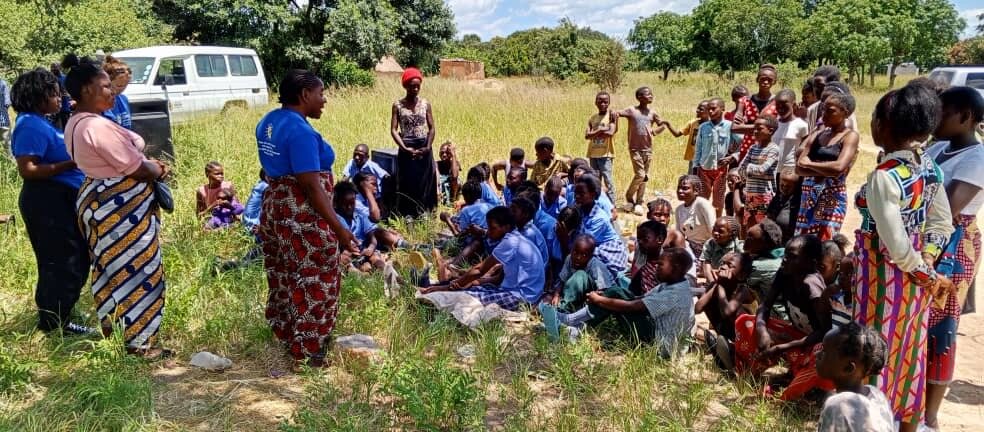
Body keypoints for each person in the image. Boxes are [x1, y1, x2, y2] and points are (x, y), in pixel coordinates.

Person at [854, 82, 954, 431]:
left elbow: (894, 244)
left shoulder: (885, 177)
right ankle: (906, 420)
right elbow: (942, 223)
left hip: (882, 280)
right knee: (911, 350)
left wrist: (919, 269)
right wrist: (927, 263)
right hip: (915, 286)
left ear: (884, 125)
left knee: (873, 351)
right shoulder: (928, 168)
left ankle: (870, 420)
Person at [64, 61, 171, 358]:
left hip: (102, 203)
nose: (112, 91)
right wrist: (158, 168)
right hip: (120, 209)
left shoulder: (77, 121)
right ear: (87, 90)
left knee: (111, 268)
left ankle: (116, 330)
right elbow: (136, 168)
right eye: (106, 86)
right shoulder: (96, 126)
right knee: (137, 269)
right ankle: (139, 343)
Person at [255, 69, 358, 368]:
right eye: (321, 93)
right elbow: (311, 186)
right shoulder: (299, 131)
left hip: (276, 207)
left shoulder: (269, 122)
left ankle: (288, 332)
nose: (324, 100)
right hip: (300, 213)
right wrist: (338, 228)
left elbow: (270, 168)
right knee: (317, 274)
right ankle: (308, 350)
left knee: (285, 272)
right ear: (304, 95)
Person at [9, 68, 92, 335]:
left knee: (75, 256)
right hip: (46, 200)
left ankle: (61, 313)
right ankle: (54, 324)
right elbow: (28, 169)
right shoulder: (28, 125)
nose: (60, 99)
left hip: (60, 198)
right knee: (60, 261)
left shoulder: (41, 121)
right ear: (38, 96)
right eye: (54, 94)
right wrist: (72, 162)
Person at [922, 86, 984, 430]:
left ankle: (930, 417)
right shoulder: (939, 146)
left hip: (954, 247)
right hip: (928, 239)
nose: (936, 119)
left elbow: (948, 207)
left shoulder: (978, 159)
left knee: (942, 328)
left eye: (943, 113)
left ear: (967, 117)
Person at [732, 235, 835, 401]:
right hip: (794, 336)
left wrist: (782, 347)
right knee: (746, 322)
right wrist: (761, 330)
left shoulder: (812, 286)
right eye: (785, 254)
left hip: (810, 344)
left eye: (793, 257)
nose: (785, 259)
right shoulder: (785, 273)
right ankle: (748, 372)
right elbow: (765, 305)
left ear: (811, 263)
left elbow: (824, 332)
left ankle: (796, 385)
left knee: (819, 356)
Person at [549, 248, 695, 356]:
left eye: (661, 265)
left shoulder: (675, 293)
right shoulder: (673, 284)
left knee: (616, 295)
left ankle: (572, 322)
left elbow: (634, 307)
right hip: (655, 332)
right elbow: (640, 299)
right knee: (617, 292)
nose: (656, 268)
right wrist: (605, 298)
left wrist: (601, 300)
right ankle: (575, 325)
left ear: (675, 268)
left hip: (659, 347)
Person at [420, 206, 545, 311]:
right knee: (471, 288)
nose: (489, 232)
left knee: (465, 297)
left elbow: (480, 270)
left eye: (493, 228)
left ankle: (432, 295)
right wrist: (467, 284)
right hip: (519, 292)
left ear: (506, 227)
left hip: (522, 298)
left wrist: (451, 287)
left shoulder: (511, 242)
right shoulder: (516, 239)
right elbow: (499, 278)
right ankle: (434, 289)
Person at [795, 92, 859, 241]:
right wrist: (826, 169)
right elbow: (798, 167)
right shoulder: (817, 135)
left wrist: (811, 164)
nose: (824, 115)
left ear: (846, 113)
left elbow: (839, 168)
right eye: (823, 110)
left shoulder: (850, 136)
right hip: (808, 197)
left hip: (832, 199)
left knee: (826, 243)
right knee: (803, 244)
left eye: (830, 111)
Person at [814, 322, 895, 432]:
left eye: (824, 351)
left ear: (848, 368)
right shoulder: (877, 394)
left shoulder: (837, 405)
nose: (817, 354)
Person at [390, 67, 438, 217]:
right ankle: (408, 213)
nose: (415, 89)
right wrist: (404, 147)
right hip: (406, 147)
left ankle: (425, 211)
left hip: (424, 146)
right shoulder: (398, 105)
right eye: (412, 86)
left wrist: (428, 147)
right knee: (407, 180)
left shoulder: (425, 104)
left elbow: (432, 128)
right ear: (405, 86)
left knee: (425, 179)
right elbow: (393, 129)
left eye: (418, 85)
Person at [615, 86, 664, 215]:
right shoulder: (632, 110)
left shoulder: (652, 113)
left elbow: (662, 125)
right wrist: (613, 116)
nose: (651, 96)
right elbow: (617, 113)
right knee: (640, 175)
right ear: (639, 97)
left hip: (647, 149)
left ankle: (639, 202)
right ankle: (629, 196)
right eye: (647, 94)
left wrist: (655, 131)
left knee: (644, 177)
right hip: (635, 148)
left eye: (651, 94)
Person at [573, 174, 628, 278]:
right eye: (576, 193)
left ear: (593, 194)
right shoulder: (579, 208)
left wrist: (564, 239)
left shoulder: (599, 218)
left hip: (608, 252)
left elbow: (584, 245)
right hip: (592, 247)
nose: (577, 196)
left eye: (582, 194)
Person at [695, 252, 755, 345]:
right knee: (711, 300)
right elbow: (698, 308)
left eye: (730, 265)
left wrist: (720, 286)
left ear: (742, 275)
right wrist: (716, 284)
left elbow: (726, 313)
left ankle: (734, 344)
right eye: (722, 263)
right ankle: (725, 341)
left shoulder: (743, 290)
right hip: (726, 330)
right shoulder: (716, 284)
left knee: (736, 310)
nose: (723, 267)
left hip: (747, 334)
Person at [694, 98, 740, 215]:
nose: (710, 111)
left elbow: (743, 143)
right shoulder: (703, 127)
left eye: (713, 109)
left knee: (718, 202)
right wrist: (695, 166)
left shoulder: (730, 126)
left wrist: (733, 156)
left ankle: (717, 223)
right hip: (704, 169)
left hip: (721, 171)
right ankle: (703, 223)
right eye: (708, 109)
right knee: (702, 200)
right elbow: (698, 148)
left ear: (723, 109)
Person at [550, 234, 616, 312]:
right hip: (577, 296)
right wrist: (556, 295)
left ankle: (564, 309)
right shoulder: (569, 259)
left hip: (595, 299)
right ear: (571, 250)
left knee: (580, 275)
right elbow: (562, 280)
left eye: (584, 255)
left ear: (591, 256)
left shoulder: (596, 266)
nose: (578, 257)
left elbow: (605, 291)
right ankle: (568, 306)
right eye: (575, 252)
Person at [738, 116, 780, 229]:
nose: (755, 131)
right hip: (750, 194)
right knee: (749, 225)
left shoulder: (774, 149)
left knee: (762, 228)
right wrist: (753, 170)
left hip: (764, 196)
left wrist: (750, 167)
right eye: (754, 128)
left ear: (770, 131)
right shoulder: (753, 148)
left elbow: (762, 169)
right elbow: (740, 169)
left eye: (759, 128)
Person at [732, 64, 779, 160]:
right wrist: (765, 127)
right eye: (763, 78)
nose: (766, 82)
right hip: (747, 149)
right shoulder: (744, 101)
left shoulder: (778, 102)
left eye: (770, 79)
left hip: (768, 151)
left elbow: (777, 129)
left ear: (774, 81)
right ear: (757, 79)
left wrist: (745, 127)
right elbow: (735, 128)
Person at [585, 91, 618, 202]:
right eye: (600, 101)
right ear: (595, 102)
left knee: (608, 179)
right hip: (593, 153)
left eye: (605, 102)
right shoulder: (592, 118)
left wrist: (594, 133)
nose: (603, 104)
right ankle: (597, 201)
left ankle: (612, 203)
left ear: (609, 103)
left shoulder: (612, 116)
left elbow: (610, 133)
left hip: (606, 154)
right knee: (595, 179)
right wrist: (601, 129)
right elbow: (587, 136)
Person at [661, 100, 709, 174]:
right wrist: (668, 124)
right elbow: (677, 134)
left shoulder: (712, 126)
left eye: (701, 109)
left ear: (709, 111)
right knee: (692, 178)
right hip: (693, 158)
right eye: (697, 108)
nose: (697, 110)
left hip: (706, 159)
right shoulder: (692, 123)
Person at [743, 219, 785, 302]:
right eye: (747, 235)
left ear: (764, 244)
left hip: (774, 310)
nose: (746, 240)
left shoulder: (759, 266)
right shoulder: (779, 255)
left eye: (751, 238)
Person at [674, 175, 715, 258]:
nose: (680, 191)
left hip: (707, 248)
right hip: (690, 247)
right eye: (679, 188)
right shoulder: (679, 210)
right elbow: (679, 235)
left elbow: (713, 229)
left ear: (696, 191)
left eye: (685, 188)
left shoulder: (702, 204)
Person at [772, 89, 809, 173]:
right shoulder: (773, 124)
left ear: (794, 105)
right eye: (778, 105)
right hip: (772, 170)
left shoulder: (801, 125)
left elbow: (806, 149)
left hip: (790, 173)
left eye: (784, 105)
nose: (781, 108)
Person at [700, 216, 743, 285]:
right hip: (712, 281)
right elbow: (706, 265)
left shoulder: (739, 247)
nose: (715, 233)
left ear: (732, 234)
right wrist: (713, 284)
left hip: (731, 283)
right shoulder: (710, 243)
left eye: (721, 231)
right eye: (714, 229)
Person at [766, 168, 802, 244]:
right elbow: (769, 217)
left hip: (791, 240)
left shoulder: (797, 202)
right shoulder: (776, 199)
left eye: (788, 186)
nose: (785, 188)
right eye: (782, 185)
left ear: (795, 186)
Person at [806, 66, 842, 133]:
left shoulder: (843, 111)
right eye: (814, 86)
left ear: (832, 85)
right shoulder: (812, 110)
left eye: (820, 86)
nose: (816, 90)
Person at [101, 56, 132, 129]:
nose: (121, 89)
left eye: (125, 85)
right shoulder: (103, 102)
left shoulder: (124, 99)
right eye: (119, 85)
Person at [436, 141, 461, 206]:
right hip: (440, 189)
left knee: (457, 181)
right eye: (442, 152)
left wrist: (453, 155)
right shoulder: (436, 164)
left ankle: (452, 200)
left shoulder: (455, 163)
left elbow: (455, 176)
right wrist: (438, 190)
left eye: (447, 153)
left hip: (452, 189)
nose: (444, 155)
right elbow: (437, 179)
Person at [0, 76, 11, 146]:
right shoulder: (3, 83)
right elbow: (8, 102)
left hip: (3, 120)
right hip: (3, 120)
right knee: (6, 145)